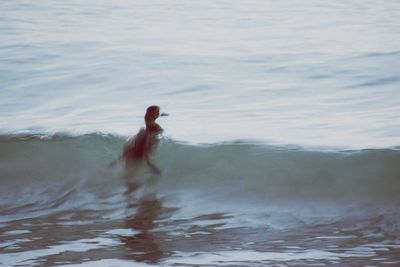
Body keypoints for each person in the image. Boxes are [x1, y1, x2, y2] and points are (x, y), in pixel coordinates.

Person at [122, 105, 167, 174]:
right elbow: (146, 144)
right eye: (157, 112)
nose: (158, 114)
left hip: (134, 155)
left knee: (130, 176)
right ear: (153, 114)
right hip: (140, 156)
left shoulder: (146, 127)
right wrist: (150, 164)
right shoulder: (153, 127)